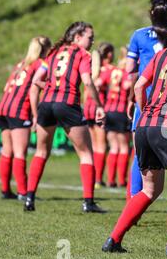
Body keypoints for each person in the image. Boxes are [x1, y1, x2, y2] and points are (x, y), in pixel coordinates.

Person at [102, 14, 167, 255]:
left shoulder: (161, 54)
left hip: (145, 123)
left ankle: (114, 239)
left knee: (149, 190)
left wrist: (144, 108)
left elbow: (137, 85)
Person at [25, 21, 106, 213]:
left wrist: (53, 87)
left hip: (46, 104)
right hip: (67, 104)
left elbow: (37, 80)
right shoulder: (82, 54)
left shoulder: (53, 52)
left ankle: (29, 199)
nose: (92, 41)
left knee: (41, 152)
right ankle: (88, 202)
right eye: (90, 37)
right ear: (77, 37)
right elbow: (87, 81)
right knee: (86, 153)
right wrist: (99, 106)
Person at [126, 0, 167, 198]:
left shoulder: (139, 36)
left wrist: (132, 98)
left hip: (145, 100)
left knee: (139, 155)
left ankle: (133, 200)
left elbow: (131, 71)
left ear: (151, 14)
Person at [0, 36, 51, 200]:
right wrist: (36, 115)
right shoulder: (41, 64)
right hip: (19, 110)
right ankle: (23, 192)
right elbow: (33, 90)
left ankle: (6, 190)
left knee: (7, 151)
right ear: (46, 49)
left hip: (3, 108)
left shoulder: (21, 64)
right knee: (20, 152)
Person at [83, 43, 112, 188]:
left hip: (87, 108)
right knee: (100, 146)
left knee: (93, 146)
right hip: (97, 108)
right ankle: (98, 179)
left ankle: (93, 177)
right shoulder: (105, 71)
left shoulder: (87, 72)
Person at [103, 48, 132, 188]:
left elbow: (99, 83)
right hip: (121, 111)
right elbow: (127, 85)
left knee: (113, 147)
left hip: (108, 110)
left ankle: (110, 179)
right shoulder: (127, 73)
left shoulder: (112, 71)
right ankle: (121, 180)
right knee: (124, 147)